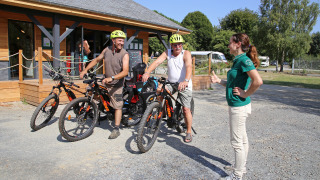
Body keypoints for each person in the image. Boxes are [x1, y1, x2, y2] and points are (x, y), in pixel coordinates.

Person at [210, 33, 263, 180]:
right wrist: (219, 80)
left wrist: (245, 94)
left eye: (230, 43)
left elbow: (258, 81)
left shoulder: (244, 60)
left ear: (238, 44)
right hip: (238, 106)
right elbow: (233, 84)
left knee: (236, 142)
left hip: (239, 107)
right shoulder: (237, 60)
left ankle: (237, 175)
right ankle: (241, 168)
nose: (228, 45)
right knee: (243, 139)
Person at [142, 34, 194, 143]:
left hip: (185, 83)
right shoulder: (167, 52)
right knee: (160, 90)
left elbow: (189, 66)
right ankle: (162, 110)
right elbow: (156, 62)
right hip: (172, 82)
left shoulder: (186, 53)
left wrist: (186, 80)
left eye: (180, 44)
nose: (178, 46)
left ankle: (188, 131)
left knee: (185, 109)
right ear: (171, 45)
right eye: (175, 45)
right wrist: (147, 72)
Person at [80, 30, 129, 139]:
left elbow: (125, 72)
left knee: (117, 106)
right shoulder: (106, 50)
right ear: (113, 40)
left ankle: (116, 128)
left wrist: (111, 78)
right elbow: (97, 59)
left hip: (116, 84)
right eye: (119, 40)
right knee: (91, 88)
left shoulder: (124, 54)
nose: (121, 43)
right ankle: (96, 109)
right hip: (105, 80)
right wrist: (85, 70)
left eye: (123, 41)